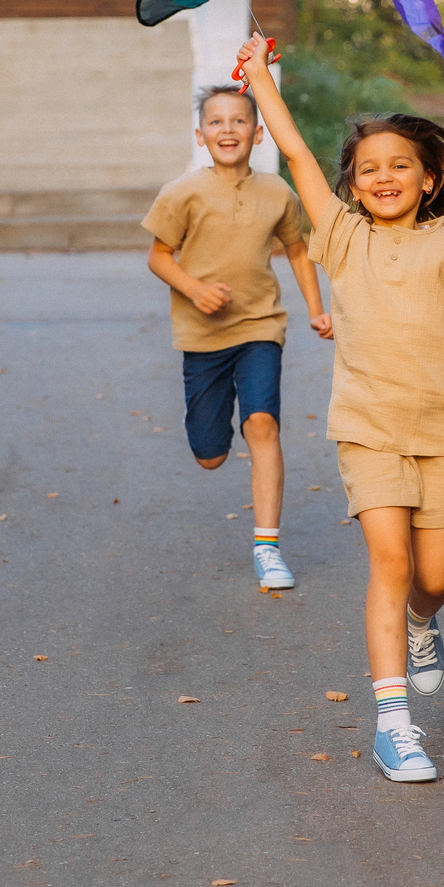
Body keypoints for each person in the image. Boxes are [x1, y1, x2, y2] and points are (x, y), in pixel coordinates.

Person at [230, 38, 444, 784]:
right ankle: (393, 725)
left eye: (400, 164)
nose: (384, 176)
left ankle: (426, 623)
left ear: (429, 177)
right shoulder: (340, 236)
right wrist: (261, 79)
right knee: (390, 563)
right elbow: (296, 151)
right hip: (368, 427)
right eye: (369, 169)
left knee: (433, 579)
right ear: (354, 187)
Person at [144, 83, 328, 593]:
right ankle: (207, 426)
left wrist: (316, 310)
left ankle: (267, 547)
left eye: (239, 120)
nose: (228, 129)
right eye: (217, 122)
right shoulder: (182, 193)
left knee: (263, 424)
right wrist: (194, 288)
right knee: (211, 454)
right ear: (201, 135)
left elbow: (296, 249)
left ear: (258, 132)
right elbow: (159, 256)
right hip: (202, 335)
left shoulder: (277, 193)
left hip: (259, 327)